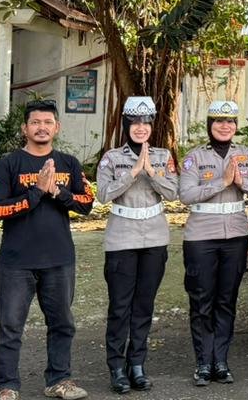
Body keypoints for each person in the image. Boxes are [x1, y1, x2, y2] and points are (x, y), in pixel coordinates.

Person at [0, 98, 96, 400]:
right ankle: (7, 386)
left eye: (48, 122)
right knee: (10, 327)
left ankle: (59, 380)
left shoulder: (69, 164)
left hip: (59, 260)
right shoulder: (8, 164)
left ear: (56, 127)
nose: (41, 127)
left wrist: (57, 191)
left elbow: (86, 204)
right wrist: (36, 191)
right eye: (35, 122)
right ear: (25, 128)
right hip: (16, 262)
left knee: (62, 324)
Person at [178, 100, 248, 386]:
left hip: (235, 237)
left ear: (236, 126)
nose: (225, 126)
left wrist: (242, 184)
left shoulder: (247, 154)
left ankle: (221, 361)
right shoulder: (195, 157)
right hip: (201, 238)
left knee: (226, 300)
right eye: (219, 121)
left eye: (230, 121)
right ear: (210, 125)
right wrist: (222, 182)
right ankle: (203, 362)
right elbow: (186, 195)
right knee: (202, 300)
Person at [97, 96, 178, 394]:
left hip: (154, 237)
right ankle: (117, 367)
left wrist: (151, 172)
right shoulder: (111, 157)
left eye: (146, 122)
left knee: (144, 305)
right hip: (122, 238)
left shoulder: (163, 156)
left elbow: (173, 193)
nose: (141, 127)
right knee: (120, 306)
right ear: (126, 124)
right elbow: (103, 195)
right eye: (134, 122)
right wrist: (133, 173)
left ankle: (137, 365)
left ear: (152, 125)